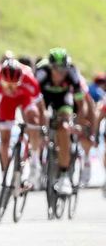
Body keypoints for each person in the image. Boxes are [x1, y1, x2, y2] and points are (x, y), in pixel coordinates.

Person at [35, 48, 88, 195]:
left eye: (63, 70)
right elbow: (31, 100)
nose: (61, 73)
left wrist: (79, 124)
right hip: (43, 98)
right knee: (38, 121)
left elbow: (80, 103)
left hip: (63, 99)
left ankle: (64, 176)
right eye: (57, 69)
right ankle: (35, 162)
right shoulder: (41, 73)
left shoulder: (72, 74)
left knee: (64, 128)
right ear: (50, 67)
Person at [0, 59, 46, 186]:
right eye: (7, 85)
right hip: (7, 102)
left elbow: (41, 108)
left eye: (14, 85)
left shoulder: (29, 79)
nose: (11, 89)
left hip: (25, 98)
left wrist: (41, 129)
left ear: (20, 80)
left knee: (33, 118)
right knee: (5, 140)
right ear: (1, 79)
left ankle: (35, 161)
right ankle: (5, 175)